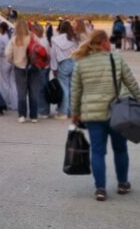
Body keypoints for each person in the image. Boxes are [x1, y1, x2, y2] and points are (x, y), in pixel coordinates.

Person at [71, 30, 140, 201]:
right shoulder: (115, 58)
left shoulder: (81, 63)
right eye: (108, 41)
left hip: (93, 115)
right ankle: (122, 184)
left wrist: (75, 113)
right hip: (118, 112)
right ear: (102, 42)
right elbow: (131, 82)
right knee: (120, 149)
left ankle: (100, 189)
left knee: (98, 151)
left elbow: (76, 91)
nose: (110, 43)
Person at [6, 19, 39, 123]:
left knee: (21, 93)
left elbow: (8, 54)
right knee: (33, 92)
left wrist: (14, 61)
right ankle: (33, 116)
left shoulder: (14, 39)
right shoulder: (33, 37)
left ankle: (22, 115)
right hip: (33, 68)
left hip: (19, 68)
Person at [51, 20, 78, 119]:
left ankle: (63, 112)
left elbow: (53, 54)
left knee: (64, 89)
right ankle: (71, 111)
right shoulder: (74, 38)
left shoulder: (55, 39)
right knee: (72, 88)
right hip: (75, 62)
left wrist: (54, 68)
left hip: (63, 63)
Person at [0, 21, 16, 110]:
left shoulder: (0, 37)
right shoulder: (12, 36)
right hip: (13, 60)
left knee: (4, 82)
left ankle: (6, 102)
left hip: (4, 59)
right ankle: (15, 104)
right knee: (13, 83)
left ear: (1, 29)